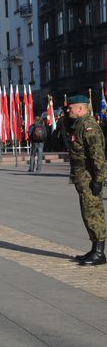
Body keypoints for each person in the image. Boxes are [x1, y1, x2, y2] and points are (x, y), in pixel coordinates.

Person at [66, 95, 106, 266]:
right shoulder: (79, 125)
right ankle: (94, 248)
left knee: (94, 214)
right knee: (88, 213)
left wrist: (99, 178)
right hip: (83, 177)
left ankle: (99, 253)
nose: (68, 110)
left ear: (80, 109)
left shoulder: (88, 126)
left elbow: (97, 155)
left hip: (90, 178)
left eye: (71, 108)